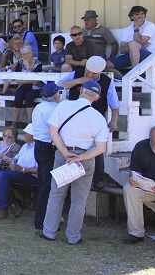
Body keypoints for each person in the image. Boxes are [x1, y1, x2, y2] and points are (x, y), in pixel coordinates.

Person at [38, 81, 108, 245]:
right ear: (96, 98)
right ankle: (73, 236)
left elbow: (52, 131)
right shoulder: (99, 118)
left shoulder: (63, 106)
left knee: (56, 195)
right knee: (79, 200)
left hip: (64, 154)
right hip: (85, 158)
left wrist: (64, 151)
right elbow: (101, 147)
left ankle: (49, 232)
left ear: (82, 90)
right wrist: (81, 158)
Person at [58, 55, 119, 189]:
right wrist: (79, 80)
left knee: (97, 148)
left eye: (94, 73)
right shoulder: (77, 74)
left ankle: (98, 179)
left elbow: (115, 104)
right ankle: (67, 176)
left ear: (100, 72)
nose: (90, 74)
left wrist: (114, 121)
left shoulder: (107, 81)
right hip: (74, 117)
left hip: (95, 118)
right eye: (88, 71)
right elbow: (59, 86)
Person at [0, 123, 38, 220]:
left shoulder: (38, 149)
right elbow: (15, 159)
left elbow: (39, 170)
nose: (24, 135)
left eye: (26, 134)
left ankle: (2, 209)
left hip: (29, 175)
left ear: (32, 136)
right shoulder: (25, 147)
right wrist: (6, 159)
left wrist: (22, 169)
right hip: (16, 171)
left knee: (3, 175)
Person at [32, 82, 63, 230]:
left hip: (39, 145)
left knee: (44, 181)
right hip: (48, 146)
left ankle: (42, 217)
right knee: (48, 184)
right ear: (56, 95)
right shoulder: (55, 109)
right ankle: (42, 220)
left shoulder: (39, 107)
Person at [122, 126, 155, 244]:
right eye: (154, 143)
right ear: (149, 139)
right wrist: (133, 178)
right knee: (129, 188)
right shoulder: (141, 146)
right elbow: (134, 170)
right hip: (148, 188)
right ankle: (136, 233)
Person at [107, 5, 155, 79]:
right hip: (131, 55)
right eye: (137, 14)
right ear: (131, 17)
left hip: (148, 56)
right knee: (107, 65)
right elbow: (122, 49)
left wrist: (136, 28)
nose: (140, 16)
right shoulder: (128, 29)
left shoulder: (150, 26)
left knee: (133, 44)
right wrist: (133, 47)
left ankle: (135, 74)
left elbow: (137, 43)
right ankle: (126, 80)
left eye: (142, 14)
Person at [11, 45, 42, 127]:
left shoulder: (38, 64)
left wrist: (28, 67)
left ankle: (29, 123)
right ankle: (15, 122)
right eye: (22, 54)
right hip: (22, 86)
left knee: (29, 96)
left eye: (25, 54)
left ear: (31, 53)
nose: (23, 56)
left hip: (35, 87)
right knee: (18, 96)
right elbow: (17, 80)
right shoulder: (20, 63)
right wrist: (29, 81)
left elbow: (35, 81)